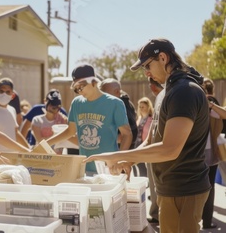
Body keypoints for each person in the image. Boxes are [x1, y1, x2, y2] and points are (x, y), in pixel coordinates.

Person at [85, 38, 210, 232]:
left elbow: (170, 149)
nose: (147, 73)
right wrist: (129, 161)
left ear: (163, 57)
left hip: (185, 188)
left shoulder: (185, 91)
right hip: (168, 187)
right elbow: (152, 140)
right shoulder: (166, 93)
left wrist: (117, 155)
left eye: (148, 65)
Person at [45, 64, 132, 175]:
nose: (79, 91)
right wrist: (46, 143)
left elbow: (127, 134)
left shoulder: (115, 103)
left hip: (108, 169)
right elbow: (70, 131)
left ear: (94, 82)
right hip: (85, 167)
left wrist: (118, 159)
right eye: (76, 89)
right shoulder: (76, 103)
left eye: (81, 87)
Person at [0, 78, 30, 152]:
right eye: (1, 91)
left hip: (12, 157)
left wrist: (29, 149)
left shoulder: (12, 110)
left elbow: (16, 133)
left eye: (8, 92)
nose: (4, 94)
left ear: (12, 95)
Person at [201, 77, 223, 229]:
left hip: (200, 151)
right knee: (208, 187)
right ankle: (206, 221)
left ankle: (202, 219)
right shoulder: (210, 103)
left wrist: (211, 105)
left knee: (202, 186)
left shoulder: (208, 103)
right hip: (208, 151)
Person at [99, 78, 138, 149]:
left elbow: (132, 133)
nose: (102, 97)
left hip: (121, 153)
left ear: (117, 92)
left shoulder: (124, 106)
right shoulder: (110, 104)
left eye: (105, 94)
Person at [145, 77, 164, 225]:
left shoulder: (166, 97)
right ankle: (156, 214)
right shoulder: (160, 99)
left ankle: (158, 214)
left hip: (162, 155)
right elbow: (150, 138)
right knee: (153, 187)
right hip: (152, 153)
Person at [30, 89, 70, 154]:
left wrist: (66, 123)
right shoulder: (37, 120)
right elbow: (40, 141)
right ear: (45, 101)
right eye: (52, 104)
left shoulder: (62, 120)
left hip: (58, 157)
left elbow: (68, 137)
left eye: (57, 106)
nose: (54, 108)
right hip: (42, 156)